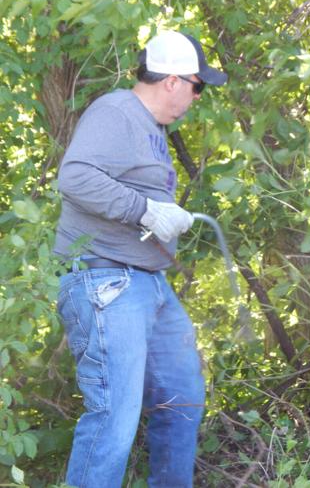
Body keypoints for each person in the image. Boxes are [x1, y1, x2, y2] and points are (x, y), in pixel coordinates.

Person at [53, 30, 227, 488]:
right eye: (197, 85)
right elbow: (74, 178)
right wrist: (145, 209)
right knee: (114, 417)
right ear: (171, 80)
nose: (196, 96)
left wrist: (162, 215)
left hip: (150, 283)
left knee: (181, 401)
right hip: (108, 280)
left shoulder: (153, 131)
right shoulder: (117, 111)